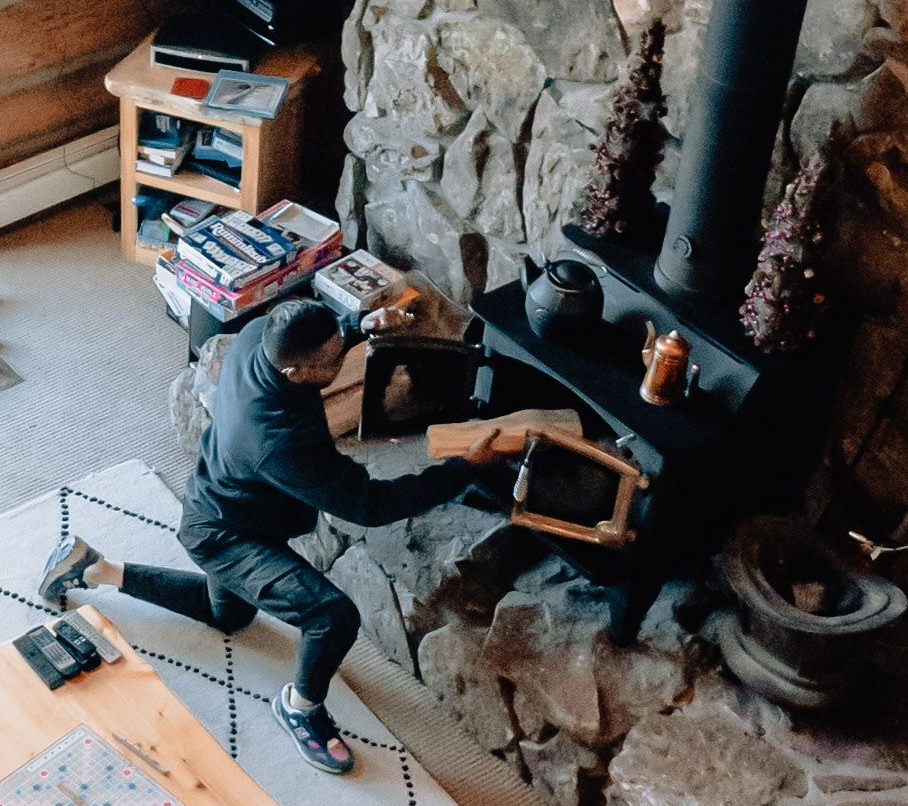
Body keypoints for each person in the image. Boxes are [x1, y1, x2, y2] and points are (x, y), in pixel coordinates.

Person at [37, 297, 556, 775]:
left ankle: (93, 569)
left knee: (229, 614)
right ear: (295, 372)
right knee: (332, 617)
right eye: (332, 359)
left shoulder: (259, 333)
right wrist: (466, 467)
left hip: (220, 498)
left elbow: (316, 346)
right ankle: (299, 706)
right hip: (225, 536)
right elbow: (370, 506)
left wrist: (356, 328)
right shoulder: (278, 442)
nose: (341, 360)